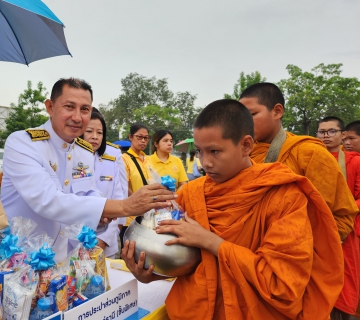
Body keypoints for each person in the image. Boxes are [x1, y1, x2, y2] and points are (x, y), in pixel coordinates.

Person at [122, 99, 344, 320]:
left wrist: (210, 241)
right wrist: (152, 273)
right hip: (193, 311)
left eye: (215, 151)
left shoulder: (283, 197)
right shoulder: (192, 193)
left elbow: (282, 285)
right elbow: (187, 262)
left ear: (246, 145)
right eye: (200, 151)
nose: (205, 163)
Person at [0, 78, 175, 262]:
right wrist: (124, 206)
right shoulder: (22, 143)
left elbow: (89, 191)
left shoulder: (83, 151)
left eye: (85, 109)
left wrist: (103, 213)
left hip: (61, 260)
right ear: (50, 107)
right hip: (19, 260)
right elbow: (47, 200)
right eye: (69, 106)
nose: (77, 117)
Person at [238, 82, 358, 241]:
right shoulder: (242, 153)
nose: (245, 123)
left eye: (252, 115)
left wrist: (293, 244)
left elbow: (341, 217)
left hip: (297, 252)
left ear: (277, 111)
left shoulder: (309, 153)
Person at [317, 116, 360, 320]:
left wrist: (343, 212)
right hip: (317, 228)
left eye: (331, 131)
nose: (326, 136)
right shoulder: (311, 158)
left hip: (345, 229)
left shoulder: (355, 161)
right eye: (321, 132)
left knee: (346, 276)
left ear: (342, 135)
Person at [82, 111, 126, 258]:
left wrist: (104, 239)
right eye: (89, 131)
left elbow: (118, 202)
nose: (95, 136)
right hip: (74, 243)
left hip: (105, 245)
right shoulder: (69, 161)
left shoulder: (110, 163)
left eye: (99, 132)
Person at [120, 123, 152, 247]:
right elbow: (125, 187)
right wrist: (139, 203)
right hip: (131, 217)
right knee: (130, 251)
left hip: (147, 214)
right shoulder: (124, 159)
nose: (143, 141)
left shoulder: (147, 159)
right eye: (139, 137)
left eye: (146, 138)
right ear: (130, 137)